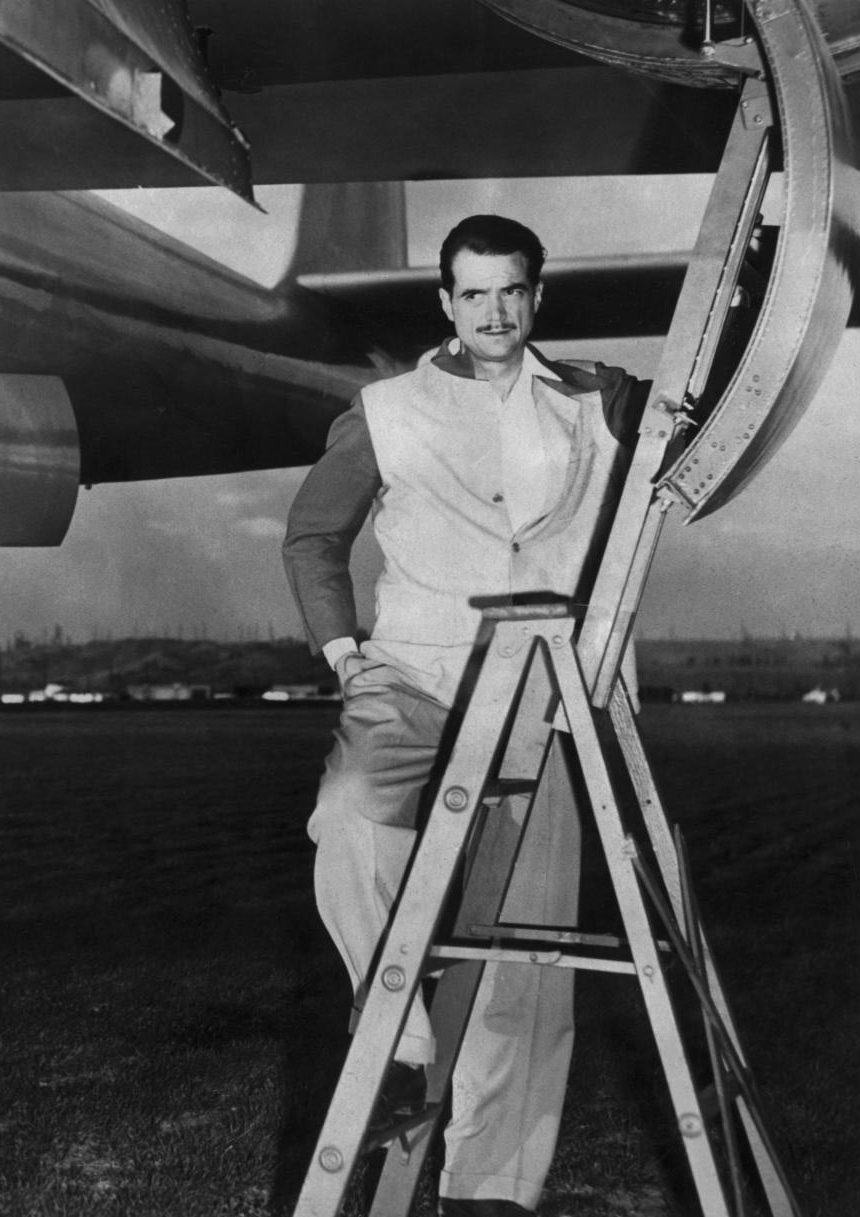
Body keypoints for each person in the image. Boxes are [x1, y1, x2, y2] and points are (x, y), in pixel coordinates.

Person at [282, 214, 647, 1217]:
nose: (494, 310)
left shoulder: (597, 398)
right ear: (445, 301)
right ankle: (395, 1039)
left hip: (544, 693)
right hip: (414, 678)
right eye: (473, 292)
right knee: (348, 824)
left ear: (538, 296)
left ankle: (491, 1185)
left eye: (511, 290)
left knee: (528, 952)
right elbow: (314, 535)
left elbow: (692, 448)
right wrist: (346, 653)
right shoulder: (386, 408)